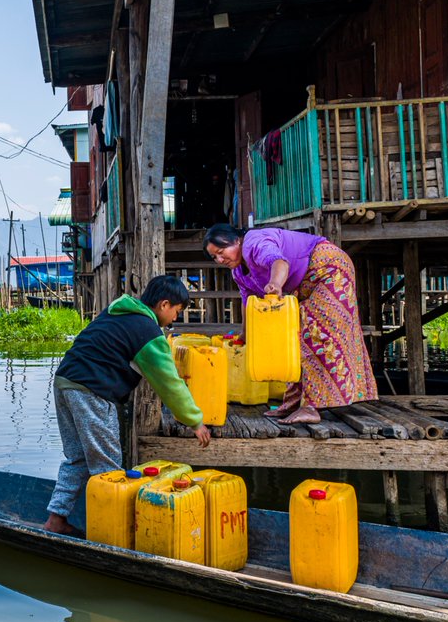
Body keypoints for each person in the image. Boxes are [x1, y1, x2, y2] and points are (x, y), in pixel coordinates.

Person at [43, 275, 212, 536]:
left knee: (76, 458)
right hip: (92, 390)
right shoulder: (148, 331)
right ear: (164, 304)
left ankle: (56, 520)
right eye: (177, 311)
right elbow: (170, 383)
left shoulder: (118, 311)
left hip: (65, 381)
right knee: (108, 468)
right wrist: (194, 420)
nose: (176, 318)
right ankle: (110, 534)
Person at [204, 223, 377, 424]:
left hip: (328, 268)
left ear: (236, 240)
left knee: (312, 336)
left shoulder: (253, 243)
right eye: (214, 257)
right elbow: (247, 301)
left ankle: (311, 408)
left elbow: (279, 262)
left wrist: (275, 284)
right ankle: (293, 403)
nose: (219, 259)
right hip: (305, 283)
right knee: (294, 338)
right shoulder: (238, 272)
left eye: (221, 251)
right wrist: (245, 333)